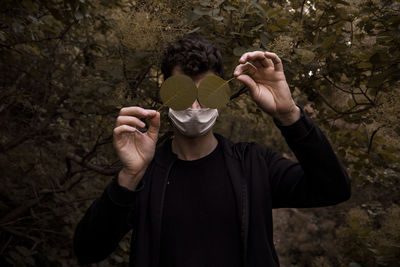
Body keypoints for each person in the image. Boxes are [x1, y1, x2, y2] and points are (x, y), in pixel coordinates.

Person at [73, 35, 351, 267]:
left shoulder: (254, 165)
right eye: (182, 93)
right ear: (166, 94)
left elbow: (334, 189)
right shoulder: (145, 174)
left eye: (206, 93)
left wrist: (289, 114)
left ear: (222, 93)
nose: (194, 108)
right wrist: (129, 176)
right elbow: (87, 250)